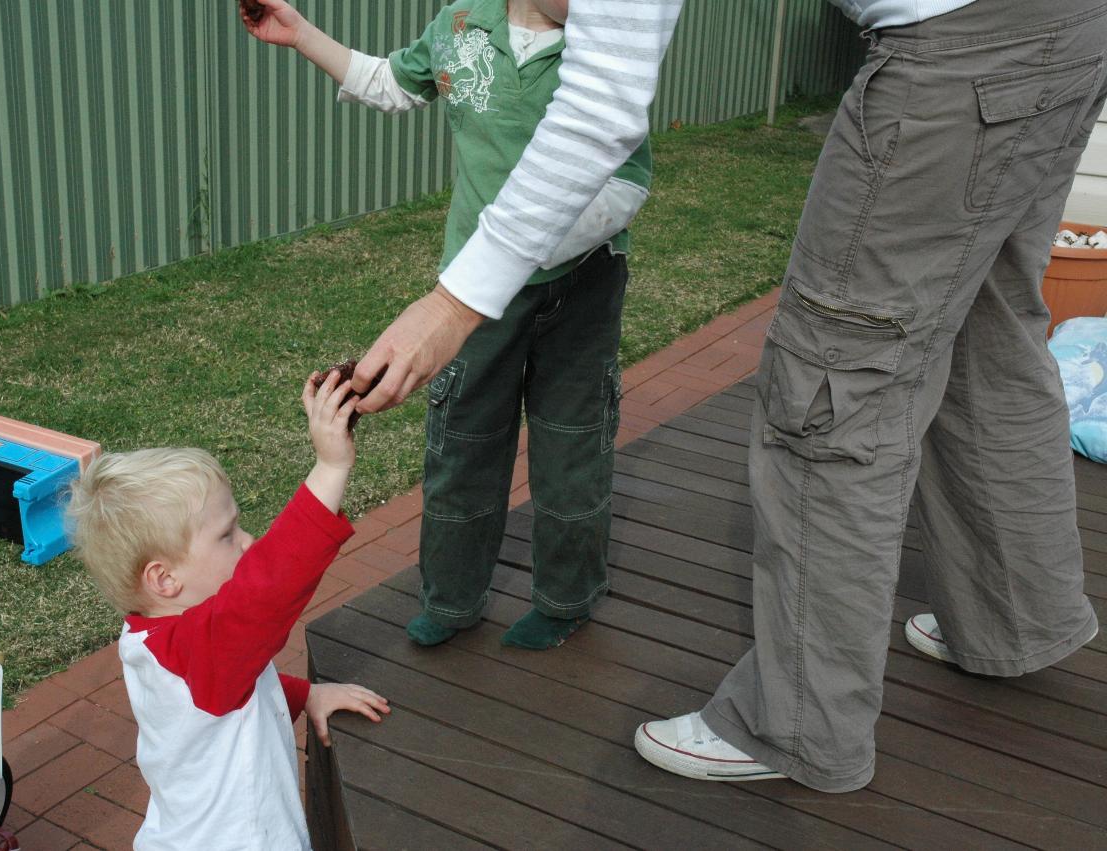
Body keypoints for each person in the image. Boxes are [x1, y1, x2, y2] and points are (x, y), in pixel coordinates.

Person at [349, 0, 1107, 793]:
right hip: (1066, 25)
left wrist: (452, 303)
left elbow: (600, 110)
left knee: (835, 380)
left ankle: (800, 725)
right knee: (987, 325)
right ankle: (1013, 616)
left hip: (959, 53)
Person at [241, 0, 653, 649]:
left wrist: (519, 252)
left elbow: (626, 183)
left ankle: (566, 597)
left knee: (572, 445)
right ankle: (453, 598)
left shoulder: (607, 42)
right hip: (475, 296)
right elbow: (389, 83)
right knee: (463, 444)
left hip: (582, 284)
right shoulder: (461, 25)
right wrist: (302, 36)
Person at [65, 370, 390, 849]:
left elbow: (238, 687)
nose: (248, 542)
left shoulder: (157, 640)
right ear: (164, 579)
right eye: (227, 535)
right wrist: (330, 468)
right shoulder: (198, 649)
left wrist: (302, 696)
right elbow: (266, 592)